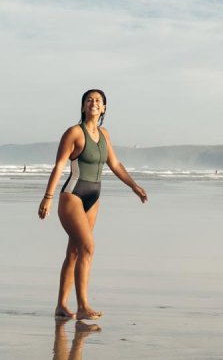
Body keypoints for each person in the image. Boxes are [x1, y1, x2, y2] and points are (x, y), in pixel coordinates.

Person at [38, 89, 148, 320]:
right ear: (83, 107)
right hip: (73, 196)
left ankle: (61, 306)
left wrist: (133, 185)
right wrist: (47, 197)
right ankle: (82, 306)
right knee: (88, 247)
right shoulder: (74, 133)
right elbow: (59, 166)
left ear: (104, 108)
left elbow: (115, 164)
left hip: (94, 198)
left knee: (75, 251)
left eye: (98, 100)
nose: (93, 103)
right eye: (89, 100)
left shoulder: (104, 134)